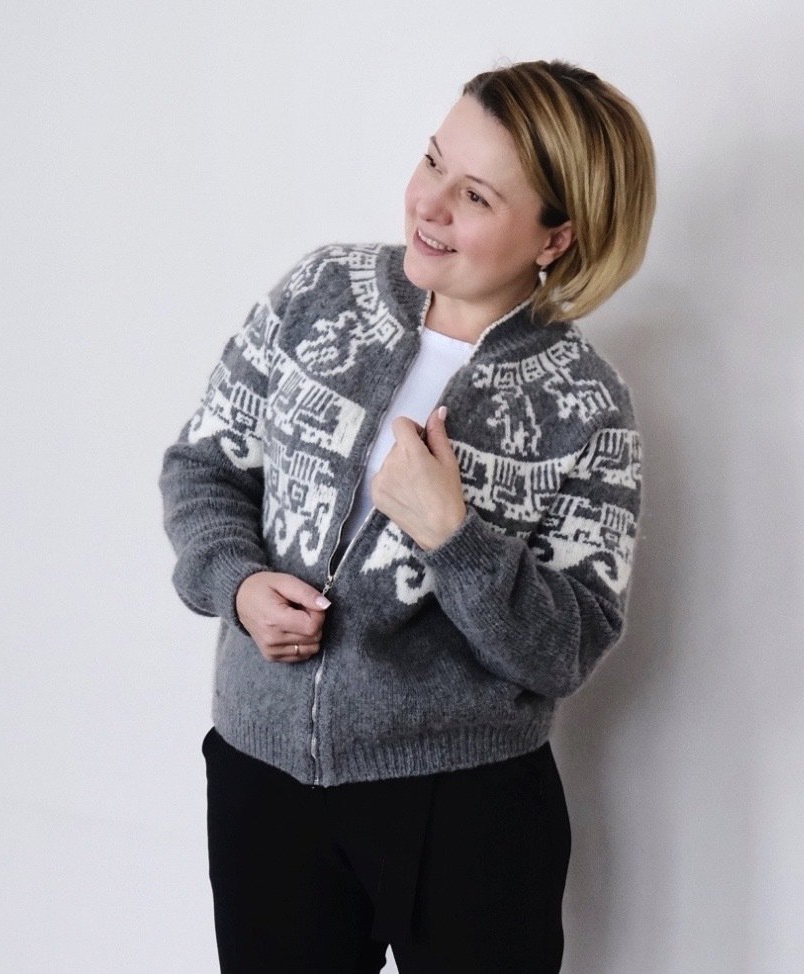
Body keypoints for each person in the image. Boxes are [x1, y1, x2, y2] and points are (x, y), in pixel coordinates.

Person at [160, 58, 655, 974]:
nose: (430, 205)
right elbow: (205, 467)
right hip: (263, 777)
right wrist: (237, 584)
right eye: (433, 161)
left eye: (476, 195)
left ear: (556, 237)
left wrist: (453, 538)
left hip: (465, 806)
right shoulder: (320, 293)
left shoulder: (586, 406)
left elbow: (570, 646)